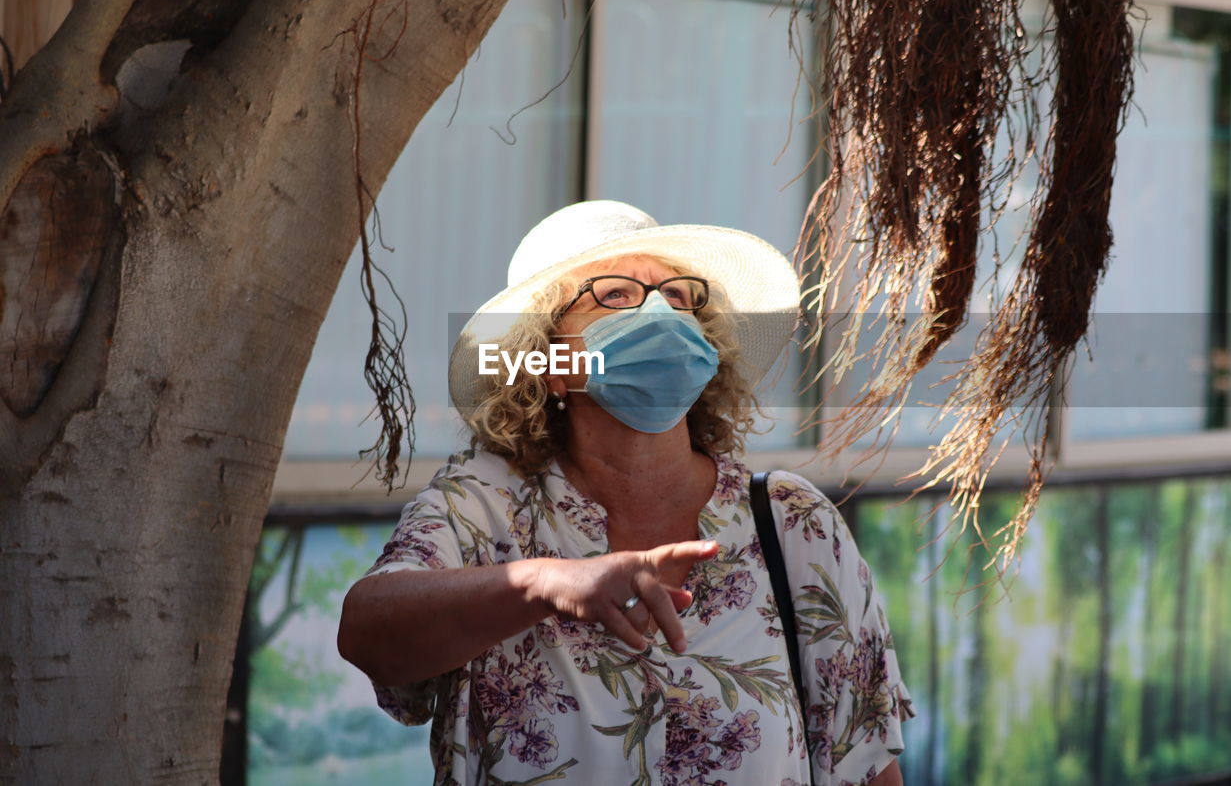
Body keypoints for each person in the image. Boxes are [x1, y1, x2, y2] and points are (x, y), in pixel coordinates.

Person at [338, 201, 914, 785]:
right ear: (549, 361)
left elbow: (867, 764)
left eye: (679, 296)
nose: (660, 313)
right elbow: (367, 633)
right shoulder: (483, 507)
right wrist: (544, 583)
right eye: (615, 295)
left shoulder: (793, 523)